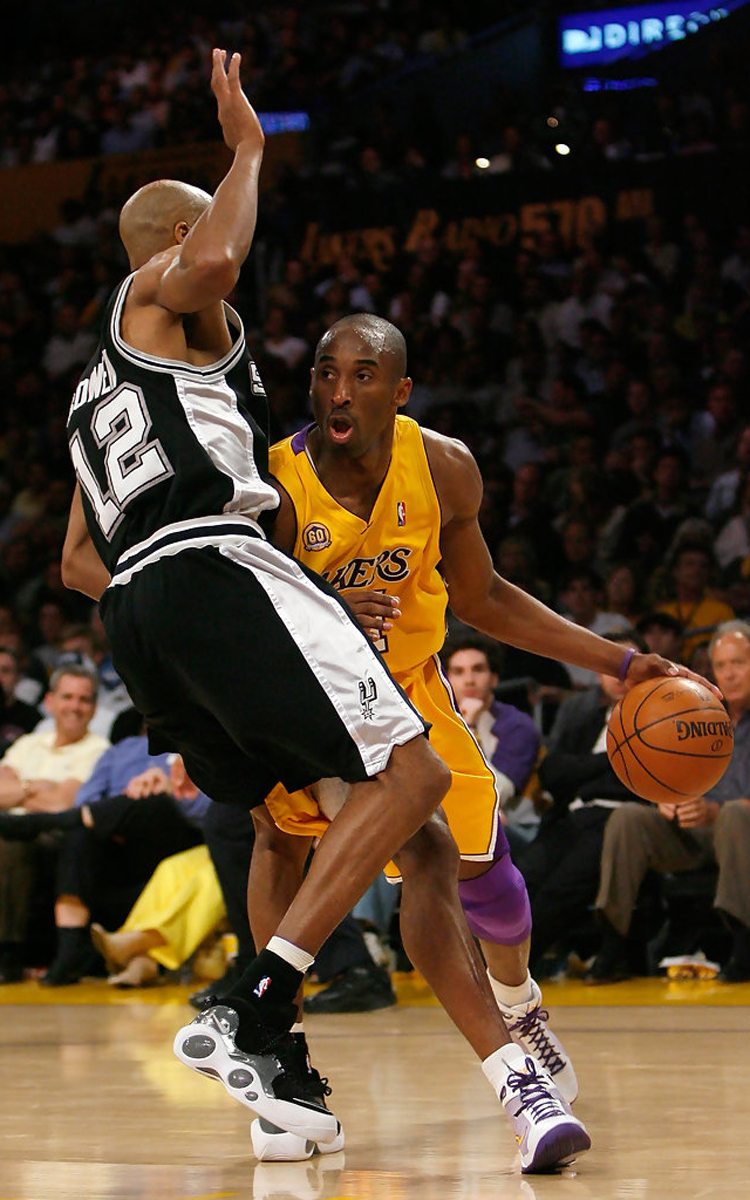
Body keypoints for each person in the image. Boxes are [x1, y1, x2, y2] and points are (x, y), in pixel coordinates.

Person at [61, 49, 592, 1173]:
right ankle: (259, 1000)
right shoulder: (163, 294)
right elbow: (208, 258)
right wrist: (248, 151)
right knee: (414, 781)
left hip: (139, 607)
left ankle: (290, 1084)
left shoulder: (98, 389)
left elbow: (76, 557)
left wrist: (180, 620)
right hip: (213, 570)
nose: (231, 253)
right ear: (164, 246)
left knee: (410, 839)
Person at [254, 309, 717, 1159]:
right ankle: (279, 1066)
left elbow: (486, 598)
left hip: (413, 697)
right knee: (281, 846)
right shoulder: (275, 479)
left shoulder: (442, 466)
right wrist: (321, 607)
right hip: (310, 701)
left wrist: (614, 661)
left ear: (401, 391)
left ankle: (519, 1003)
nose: (339, 390)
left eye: (363, 374)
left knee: (489, 877)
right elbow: (239, 610)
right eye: (326, 371)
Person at [592, 620, 750, 984]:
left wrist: (717, 811)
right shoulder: (692, 707)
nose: (730, 673)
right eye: (722, 665)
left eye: (739, 663)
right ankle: (614, 942)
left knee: (736, 817)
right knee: (629, 818)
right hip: (690, 833)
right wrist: (666, 799)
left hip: (738, 832)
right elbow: (663, 770)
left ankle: (742, 945)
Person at [0, 664, 108, 982]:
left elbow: (64, 802)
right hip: (10, 825)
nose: (75, 706)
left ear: (94, 708)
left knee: (8, 843)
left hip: (55, 835)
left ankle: (8, 952)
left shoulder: (99, 750)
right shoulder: (29, 743)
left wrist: (20, 787)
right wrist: (39, 788)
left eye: (84, 699)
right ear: (49, 701)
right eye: (67, 697)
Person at [443, 637, 541, 850]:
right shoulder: (439, 723)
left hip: (516, 829)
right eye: (458, 672)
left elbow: (498, 792)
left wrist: (468, 726)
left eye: (478, 670)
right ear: (447, 680)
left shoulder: (517, 725)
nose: (469, 680)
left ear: (494, 678)